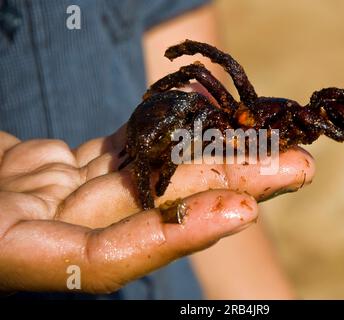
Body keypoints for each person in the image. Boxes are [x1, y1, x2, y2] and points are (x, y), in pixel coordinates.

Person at [0, 0, 314, 299]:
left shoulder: (283, 122)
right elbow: (205, 67)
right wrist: (176, 67)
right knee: (199, 105)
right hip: (140, 138)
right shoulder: (221, 114)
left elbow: (220, 189)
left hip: (172, 281)